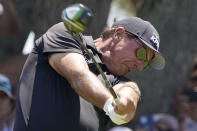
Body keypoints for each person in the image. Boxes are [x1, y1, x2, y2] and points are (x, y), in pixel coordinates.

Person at [13, 4, 165, 131]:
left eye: (145, 63)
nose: (139, 65)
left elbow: (130, 92)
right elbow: (78, 75)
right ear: (118, 35)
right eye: (140, 54)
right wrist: (108, 103)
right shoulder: (66, 34)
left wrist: (126, 103)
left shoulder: (119, 81)